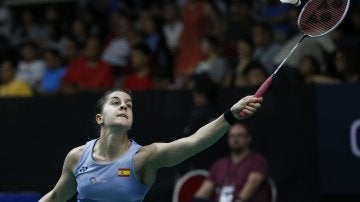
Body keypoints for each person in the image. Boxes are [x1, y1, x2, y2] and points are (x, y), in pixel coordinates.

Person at [39, 90, 262, 202]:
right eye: (115, 103)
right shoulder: (77, 157)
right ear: (99, 118)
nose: (124, 107)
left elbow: (193, 143)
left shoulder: (144, 158)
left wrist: (230, 116)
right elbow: (57, 196)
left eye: (129, 105)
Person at [194, 122, 270, 202]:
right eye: (232, 136)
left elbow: (250, 187)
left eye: (239, 135)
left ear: (248, 138)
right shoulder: (219, 164)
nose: (235, 139)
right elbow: (203, 193)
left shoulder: (257, 160)